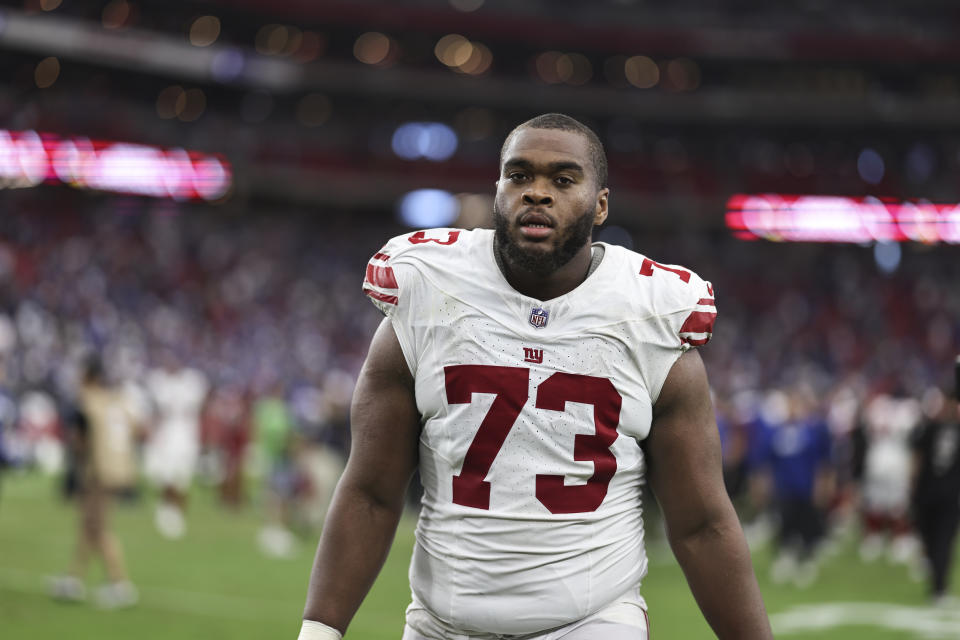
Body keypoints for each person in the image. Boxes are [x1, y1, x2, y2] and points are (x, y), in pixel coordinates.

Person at [298, 113, 772, 639]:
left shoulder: (649, 317)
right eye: (519, 176)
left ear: (601, 204)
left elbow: (702, 524)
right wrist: (319, 631)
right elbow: (370, 491)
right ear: (497, 190)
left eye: (563, 180)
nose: (537, 193)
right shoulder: (429, 294)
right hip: (442, 626)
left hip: (592, 623)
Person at [49, 357, 139, 608]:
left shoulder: (88, 401)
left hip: (98, 470)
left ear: (88, 376)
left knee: (99, 529)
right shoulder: (115, 400)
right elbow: (136, 428)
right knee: (88, 526)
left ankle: (120, 584)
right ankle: (73, 579)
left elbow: (79, 439)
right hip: (118, 467)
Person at [143, 347, 209, 539]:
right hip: (165, 434)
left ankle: (178, 514)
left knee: (182, 477)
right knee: (163, 475)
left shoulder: (192, 382)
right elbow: (154, 410)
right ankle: (166, 511)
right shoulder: (158, 381)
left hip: (186, 435)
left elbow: (202, 406)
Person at [911, 358, 960, 605]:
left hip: (933, 492)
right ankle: (938, 587)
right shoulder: (934, 428)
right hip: (944, 494)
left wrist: (912, 488)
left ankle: (938, 587)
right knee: (939, 541)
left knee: (937, 541)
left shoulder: (930, 427)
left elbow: (916, 461)